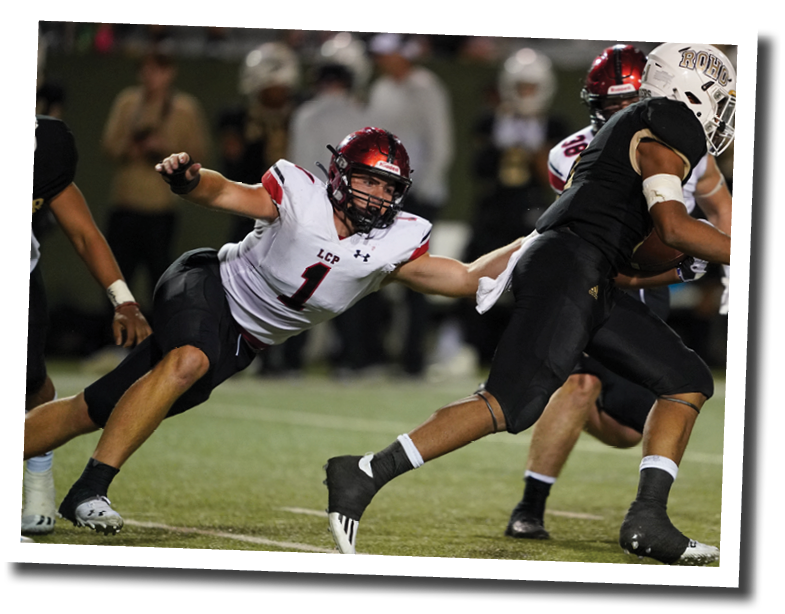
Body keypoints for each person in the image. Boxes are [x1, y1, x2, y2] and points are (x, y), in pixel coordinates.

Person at [324, 42, 736, 566]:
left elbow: (632, 257)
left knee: (686, 378)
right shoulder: (669, 118)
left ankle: (648, 520)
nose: (722, 110)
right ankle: (365, 471)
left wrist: (679, 267)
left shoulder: (641, 125)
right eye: (718, 96)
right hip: (569, 266)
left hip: (586, 268)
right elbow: (675, 226)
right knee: (509, 404)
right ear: (688, 88)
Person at [23, 127, 524, 535]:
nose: (378, 197)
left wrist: (531, 242)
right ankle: (89, 489)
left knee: (96, 406)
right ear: (341, 175)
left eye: (389, 187)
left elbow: (464, 278)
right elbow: (224, 192)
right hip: (207, 285)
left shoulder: (394, 244)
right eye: (369, 181)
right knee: (188, 360)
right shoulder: (299, 197)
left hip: (241, 342)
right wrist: (188, 181)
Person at [505, 44, 733, 540]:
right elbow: (625, 227)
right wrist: (701, 245)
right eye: (611, 104)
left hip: (651, 287)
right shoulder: (576, 152)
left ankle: (563, 406)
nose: (622, 113)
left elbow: (720, 203)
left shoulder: (691, 146)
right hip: (597, 273)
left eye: (628, 100)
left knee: (630, 427)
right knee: (579, 383)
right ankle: (530, 505)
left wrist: (729, 259)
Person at [23, 115, 151, 538]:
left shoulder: (43, 145)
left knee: (29, 382)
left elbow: (83, 233)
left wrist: (124, 300)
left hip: (19, 276)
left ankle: (38, 481)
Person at [462, 46, 571, 366]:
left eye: (531, 87)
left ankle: (529, 352)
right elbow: (478, 171)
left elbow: (559, 179)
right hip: (494, 214)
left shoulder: (556, 127)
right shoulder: (490, 122)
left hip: (534, 213)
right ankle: (474, 348)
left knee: (535, 286)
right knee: (477, 277)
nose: (526, 93)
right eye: (521, 86)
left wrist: (537, 149)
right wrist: (500, 145)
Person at [366, 32, 454, 376]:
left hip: (418, 196)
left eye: (388, 53)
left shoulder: (426, 86)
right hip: (384, 195)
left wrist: (424, 192)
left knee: (416, 278)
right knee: (374, 273)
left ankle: (413, 360)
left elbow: (440, 142)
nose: (382, 60)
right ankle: (373, 355)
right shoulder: (380, 89)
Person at [101, 50, 210, 309]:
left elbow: (199, 154)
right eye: (146, 69)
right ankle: (111, 341)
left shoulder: (185, 108)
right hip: (125, 203)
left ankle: (161, 341)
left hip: (161, 209)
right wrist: (132, 148)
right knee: (117, 279)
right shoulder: (128, 102)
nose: (151, 77)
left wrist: (164, 148)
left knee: (160, 281)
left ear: (170, 72)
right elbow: (108, 146)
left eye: (158, 70)